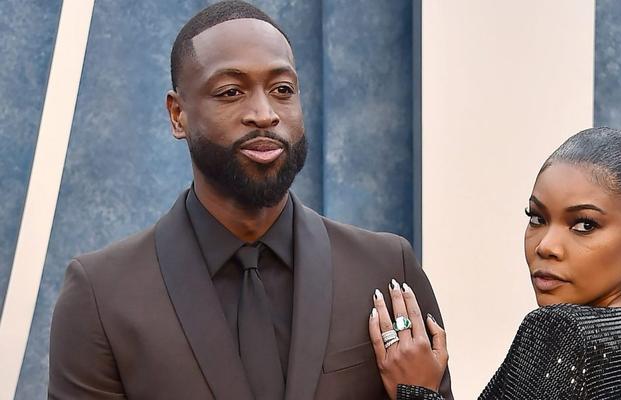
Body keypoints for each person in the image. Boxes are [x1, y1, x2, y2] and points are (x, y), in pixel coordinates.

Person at [48, 1, 452, 399]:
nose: (264, 113)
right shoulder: (101, 295)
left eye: (282, 89)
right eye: (230, 91)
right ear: (177, 115)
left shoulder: (384, 269)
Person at [368, 123, 621, 399]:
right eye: (537, 218)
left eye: (584, 224)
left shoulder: (563, 331)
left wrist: (416, 387)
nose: (546, 246)